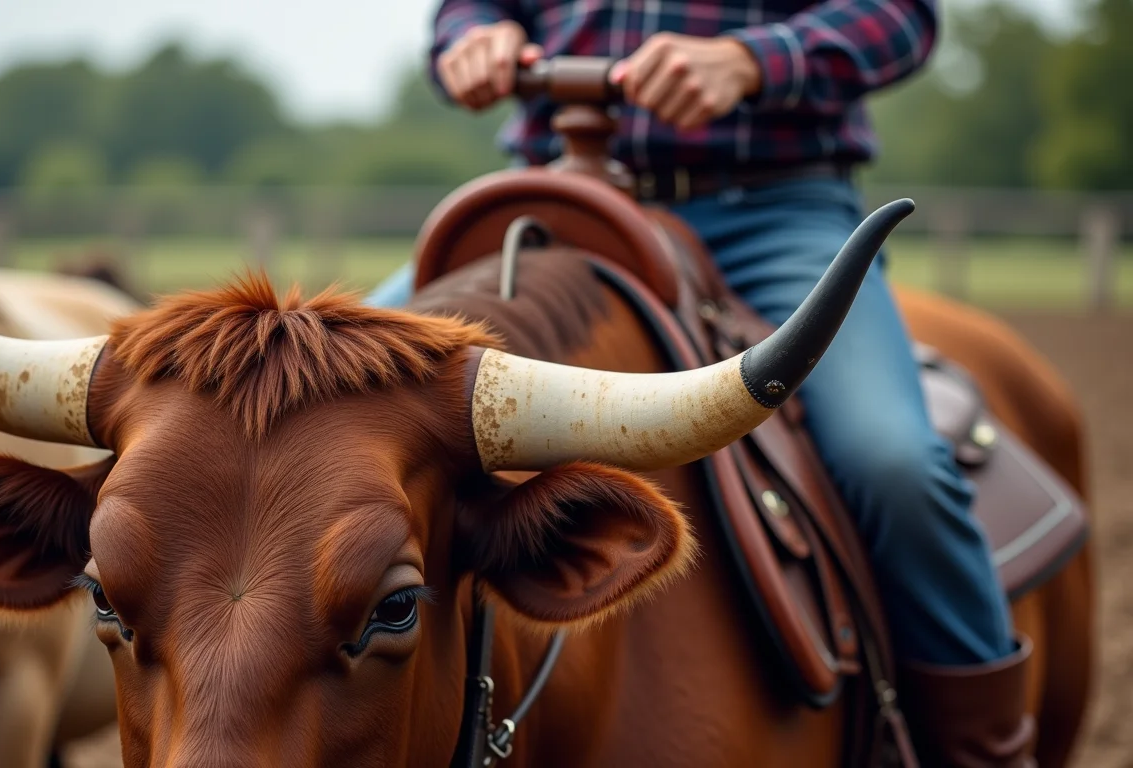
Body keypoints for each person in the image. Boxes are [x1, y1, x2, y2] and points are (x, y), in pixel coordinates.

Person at [365, 1, 1035, 764]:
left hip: (770, 211)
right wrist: (473, 38)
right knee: (320, 415)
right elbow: (469, 7)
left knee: (893, 462)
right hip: (548, 201)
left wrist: (754, 61)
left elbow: (900, 17)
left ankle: (987, 750)